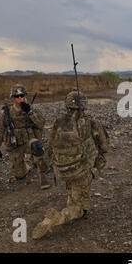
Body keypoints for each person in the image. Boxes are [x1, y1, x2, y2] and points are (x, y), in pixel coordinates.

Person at [32, 91, 109, 239]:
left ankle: (71, 202)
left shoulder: (59, 122)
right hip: (82, 170)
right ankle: (58, 218)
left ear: (67, 104)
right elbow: (105, 147)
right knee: (81, 209)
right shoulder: (91, 122)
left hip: (62, 169)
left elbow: (48, 147)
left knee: (73, 189)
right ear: (84, 105)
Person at [0, 84, 51, 190]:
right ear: (13, 97)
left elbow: (41, 124)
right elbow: (0, 131)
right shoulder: (7, 113)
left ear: (25, 96)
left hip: (30, 142)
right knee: (19, 175)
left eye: (22, 95)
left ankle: (43, 177)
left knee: (37, 146)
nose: (19, 98)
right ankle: (28, 164)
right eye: (17, 96)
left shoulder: (31, 109)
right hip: (15, 145)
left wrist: (29, 112)